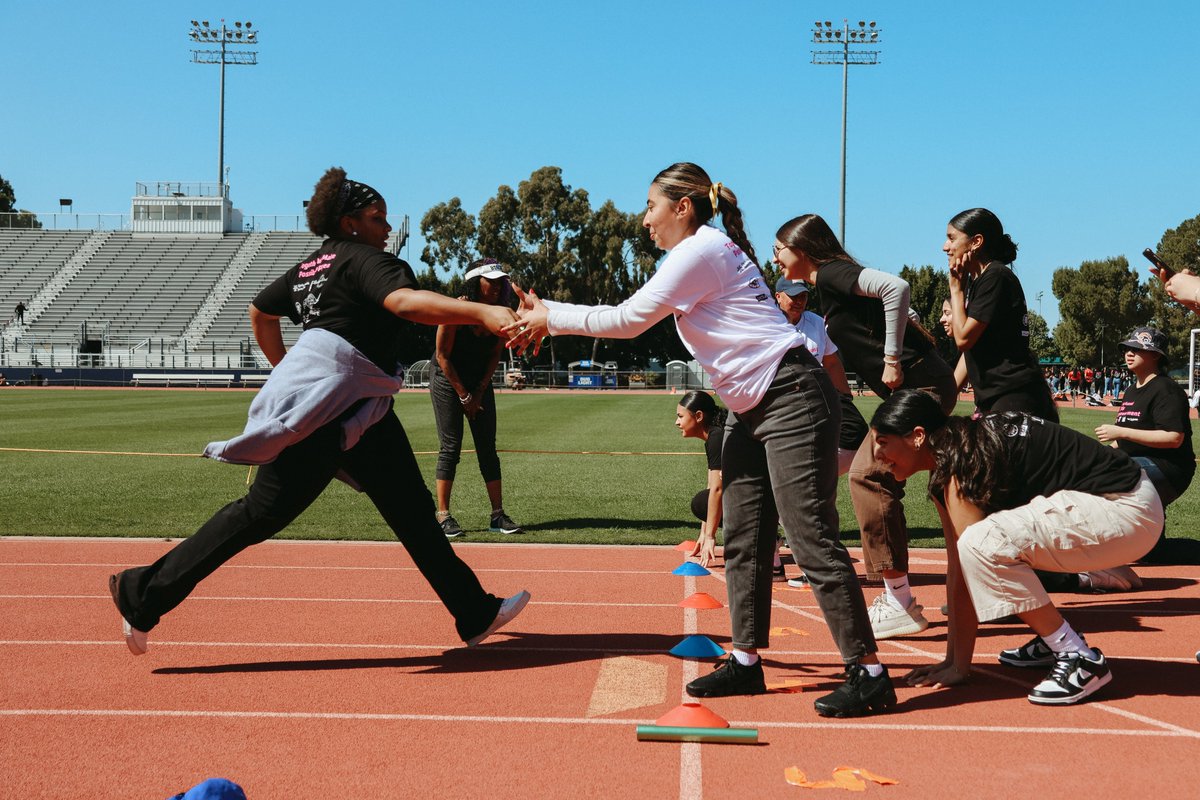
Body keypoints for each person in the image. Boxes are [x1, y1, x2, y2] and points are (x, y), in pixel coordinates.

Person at [509, 162, 894, 717]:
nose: (644, 220)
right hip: (751, 406)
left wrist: (552, 316)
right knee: (743, 535)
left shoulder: (699, 251)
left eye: (650, 206)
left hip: (789, 396)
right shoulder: (704, 250)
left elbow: (631, 318)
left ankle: (869, 672)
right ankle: (745, 661)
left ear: (682, 207)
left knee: (809, 535)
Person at [108, 167, 530, 655]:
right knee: (258, 515)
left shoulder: (312, 266)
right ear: (350, 223)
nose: (386, 228)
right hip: (334, 415)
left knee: (412, 513)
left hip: (358, 409)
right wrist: (480, 311)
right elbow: (405, 302)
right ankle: (141, 593)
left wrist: (291, 373)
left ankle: (473, 611)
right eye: (378, 218)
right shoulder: (366, 260)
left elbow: (259, 313)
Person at [871, 389, 1163, 705]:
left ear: (917, 436)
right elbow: (959, 567)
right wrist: (954, 662)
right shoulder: (959, 452)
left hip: (1125, 507)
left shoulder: (960, 464)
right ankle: (1055, 639)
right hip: (1124, 503)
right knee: (984, 544)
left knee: (985, 543)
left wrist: (958, 665)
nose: (876, 454)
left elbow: (970, 564)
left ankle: (1076, 656)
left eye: (883, 442)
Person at [774, 213, 957, 640]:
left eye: (779, 248)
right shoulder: (827, 287)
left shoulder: (834, 273)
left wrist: (892, 359)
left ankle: (899, 601)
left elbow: (897, 288)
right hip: (916, 390)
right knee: (947, 480)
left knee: (867, 475)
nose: (776, 257)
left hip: (920, 387)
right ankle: (985, 581)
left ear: (801, 249)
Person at [774, 276, 870, 586]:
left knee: (807, 484)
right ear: (777, 296)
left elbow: (831, 362)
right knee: (796, 485)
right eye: (792, 295)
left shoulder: (815, 323)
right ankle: (784, 558)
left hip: (818, 404)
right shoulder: (766, 321)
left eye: (802, 294)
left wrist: (844, 398)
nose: (798, 300)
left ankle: (798, 554)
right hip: (784, 407)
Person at [430, 258, 523, 538]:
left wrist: (479, 391)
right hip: (448, 378)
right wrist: (464, 395)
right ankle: (443, 516)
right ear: (474, 283)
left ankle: (497, 516)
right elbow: (443, 356)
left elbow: (495, 353)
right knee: (451, 446)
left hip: (478, 381)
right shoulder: (455, 310)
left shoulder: (501, 312)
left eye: (500, 281)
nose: (497, 286)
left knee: (487, 447)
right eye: (490, 281)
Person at [1096, 327, 1199, 565]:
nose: (1129, 354)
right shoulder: (1132, 390)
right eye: (1127, 349)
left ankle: (1100, 548)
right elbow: (1122, 440)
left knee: (1107, 475)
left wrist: (1120, 432)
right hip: (1141, 465)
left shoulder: (1166, 389)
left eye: (1137, 349)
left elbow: (1174, 437)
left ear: (1156, 355)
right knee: (1150, 552)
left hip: (1168, 468)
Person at [944, 208, 1057, 420]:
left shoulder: (995, 276)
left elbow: (963, 339)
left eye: (952, 238)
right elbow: (971, 351)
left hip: (1014, 397)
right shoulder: (978, 281)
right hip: (997, 398)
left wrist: (956, 290)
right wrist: (944, 399)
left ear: (976, 242)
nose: (945, 247)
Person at [675, 390, 727, 568]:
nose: (677, 422)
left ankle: (766, 539)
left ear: (698, 416)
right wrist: (703, 533)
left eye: (680, 417)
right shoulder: (714, 436)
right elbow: (711, 487)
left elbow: (718, 490)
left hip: (767, 495)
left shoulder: (717, 437)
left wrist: (711, 537)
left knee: (700, 502)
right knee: (703, 501)